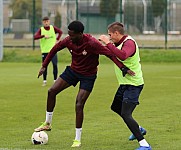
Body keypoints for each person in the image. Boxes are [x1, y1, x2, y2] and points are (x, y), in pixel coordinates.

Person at [34, 20, 135, 148]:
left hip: (88, 75)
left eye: (72, 35)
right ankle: (47, 123)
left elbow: (110, 54)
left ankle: (77, 139)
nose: (70, 37)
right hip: (73, 71)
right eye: (69, 34)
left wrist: (122, 67)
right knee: (51, 91)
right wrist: (44, 66)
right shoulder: (68, 40)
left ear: (80, 34)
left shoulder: (92, 43)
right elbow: (54, 49)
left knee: (79, 103)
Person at [99, 22, 152, 150]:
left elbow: (122, 55)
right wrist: (123, 67)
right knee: (116, 107)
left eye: (110, 34)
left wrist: (108, 43)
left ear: (117, 33)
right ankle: (138, 129)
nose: (109, 37)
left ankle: (144, 144)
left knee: (126, 114)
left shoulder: (129, 43)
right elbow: (113, 55)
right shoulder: (117, 44)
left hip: (134, 84)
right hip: (125, 83)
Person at [34, 16, 63, 86]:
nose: (46, 23)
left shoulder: (53, 28)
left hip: (53, 51)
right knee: (44, 66)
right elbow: (35, 37)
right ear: (43, 22)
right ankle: (44, 81)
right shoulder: (41, 30)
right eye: (44, 22)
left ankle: (55, 80)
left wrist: (57, 39)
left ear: (49, 21)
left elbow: (60, 32)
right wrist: (43, 36)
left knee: (55, 65)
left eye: (47, 21)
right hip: (45, 51)